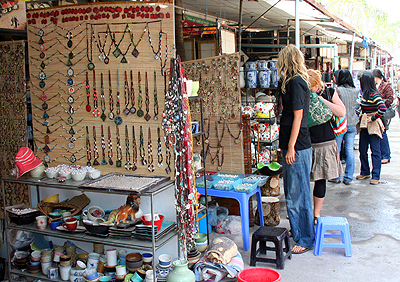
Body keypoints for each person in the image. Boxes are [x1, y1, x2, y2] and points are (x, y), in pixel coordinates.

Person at [277, 45, 314, 254]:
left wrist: (290, 147)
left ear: (286, 60)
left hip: (297, 146)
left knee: (298, 194)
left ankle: (306, 238)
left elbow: (298, 117)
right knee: (293, 191)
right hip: (292, 145)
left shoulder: (297, 82)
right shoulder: (291, 82)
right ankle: (299, 229)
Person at [307, 69, 345, 224]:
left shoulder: (329, 92)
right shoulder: (302, 93)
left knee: (320, 179)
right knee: (303, 180)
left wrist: (320, 99)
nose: (310, 91)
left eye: (312, 87)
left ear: (318, 84)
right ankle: (304, 211)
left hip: (325, 142)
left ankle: (316, 213)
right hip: (306, 143)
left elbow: (341, 111)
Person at [357, 71, 387, 185]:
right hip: (364, 124)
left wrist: (374, 118)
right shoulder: (364, 94)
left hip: (373, 124)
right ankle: (365, 171)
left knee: (375, 150)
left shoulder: (375, 95)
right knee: (362, 148)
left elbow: (382, 108)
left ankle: (376, 175)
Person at [331, 69, 359, 185]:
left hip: (340, 123)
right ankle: (348, 177)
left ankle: (336, 176)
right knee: (349, 150)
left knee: (337, 149)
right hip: (352, 123)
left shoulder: (338, 90)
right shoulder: (356, 91)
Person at [372, 69, 393, 164]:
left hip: (382, 112)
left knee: (383, 133)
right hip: (375, 112)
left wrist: (380, 101)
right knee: (378, 134)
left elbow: (390, 99)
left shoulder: (386, 86)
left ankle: (386, 155)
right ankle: (381, 154)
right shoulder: (374, 86)